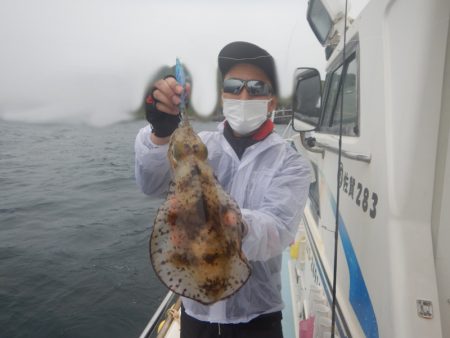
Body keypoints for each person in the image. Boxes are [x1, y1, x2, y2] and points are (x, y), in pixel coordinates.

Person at [135, 41, 311, 338]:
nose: (244, 94)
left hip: (257, 319)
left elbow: (278, 229)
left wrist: (232, 224)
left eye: (256, 87)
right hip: (195, 315)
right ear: (223, 96)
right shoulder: (201, 146)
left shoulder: (291, 162)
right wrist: (161, 134)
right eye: (234, 85)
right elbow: (149, 183)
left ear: (271, 102)